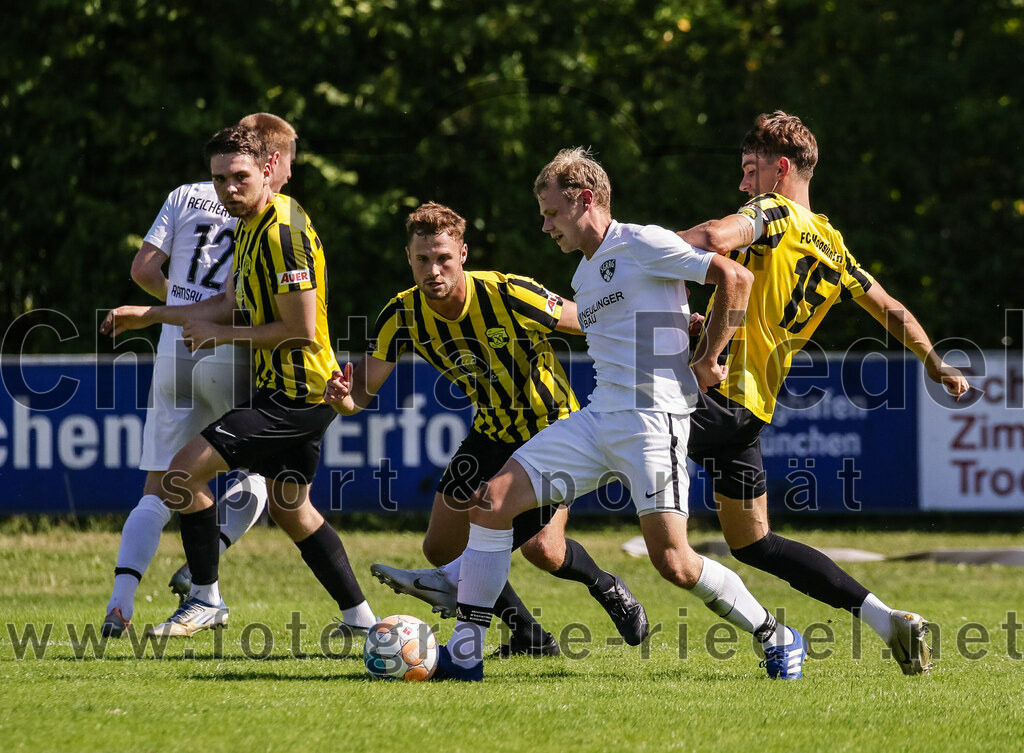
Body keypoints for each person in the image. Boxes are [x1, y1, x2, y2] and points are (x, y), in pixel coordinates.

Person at [383, 147, 807, 682]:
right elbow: (633, 326)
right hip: (599, 419)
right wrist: (683, 330)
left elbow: (735, 279)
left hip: (654, 426)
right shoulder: (585, 274)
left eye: (552, 213)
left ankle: (776, 634)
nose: (545, 227)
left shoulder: (643, 241)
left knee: (674, 564)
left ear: (585, 200)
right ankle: (465, 655)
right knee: (490, 503)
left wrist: (708, 359)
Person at [678, 111, 971, 675]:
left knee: (588, 450)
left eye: (749, 170)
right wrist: (934, 361)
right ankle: (889, 620)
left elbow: (714, 237)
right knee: (753, 544)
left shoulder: (773, 213)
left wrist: (638, 251)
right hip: (751, 409)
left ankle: (480, 593)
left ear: (780, 169)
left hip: (715, 394)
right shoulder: (834, 247)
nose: (743, 184)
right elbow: (890, 308)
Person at [324, 201, 649, 656]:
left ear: (463, 253)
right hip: (493, 431)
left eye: (443, 258)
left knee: (543, 550)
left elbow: (589, 320)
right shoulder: (401, 316)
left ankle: (605, 585)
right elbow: (361, 393)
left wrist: (666, 329)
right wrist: (344, 400)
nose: (433, 270)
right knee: (440, 548)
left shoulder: (508, 293)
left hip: (552, 429)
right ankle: (530, 637)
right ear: (408, 258)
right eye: (422, 260)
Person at [101, 124, 376, 637]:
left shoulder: (283, 232)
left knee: (182, 475)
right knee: (293, 510)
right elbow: (228, 302)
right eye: (220, 177)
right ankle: (362, 621)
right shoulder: (248, 222)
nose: (229, 188)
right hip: (286, 390)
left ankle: (205, 598)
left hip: (295, 394)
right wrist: (152, 314)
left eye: (240, 176)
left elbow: (300, 329)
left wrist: (221, 335)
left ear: (268, 169)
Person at [100, 112, 296, 638]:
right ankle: (208, 564)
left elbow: (143, 270)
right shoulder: (268, 212)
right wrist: (208, 313)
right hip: (231, 349)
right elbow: (257, 302)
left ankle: (121, 600)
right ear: (274, 160)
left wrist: (182, 306)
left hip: (174, 350)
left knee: (158, 485)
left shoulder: (186, 194)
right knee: (259, 475)